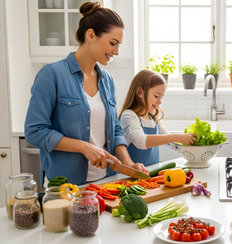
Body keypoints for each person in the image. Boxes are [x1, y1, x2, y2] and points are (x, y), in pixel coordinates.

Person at [24, 2, 147, 186]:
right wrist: (84, 147)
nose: (116, 51)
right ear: (91, 35)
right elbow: (34, 131)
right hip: (66, 187)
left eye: (119, 45)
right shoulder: (52, 75)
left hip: (106, 182)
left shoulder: (107, 80)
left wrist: (128, 164)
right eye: (112, 43)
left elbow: (114, 128)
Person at [119, 70, 196, 166]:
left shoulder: (153, 118)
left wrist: (187, 144)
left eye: (161, 97)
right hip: (131, 175)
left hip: (151, 174)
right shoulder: (129, 115)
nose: (160, 102)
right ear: (140, 92)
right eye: (156, 96)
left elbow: (170, 142)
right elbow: (140, 141)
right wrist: (177, 137)